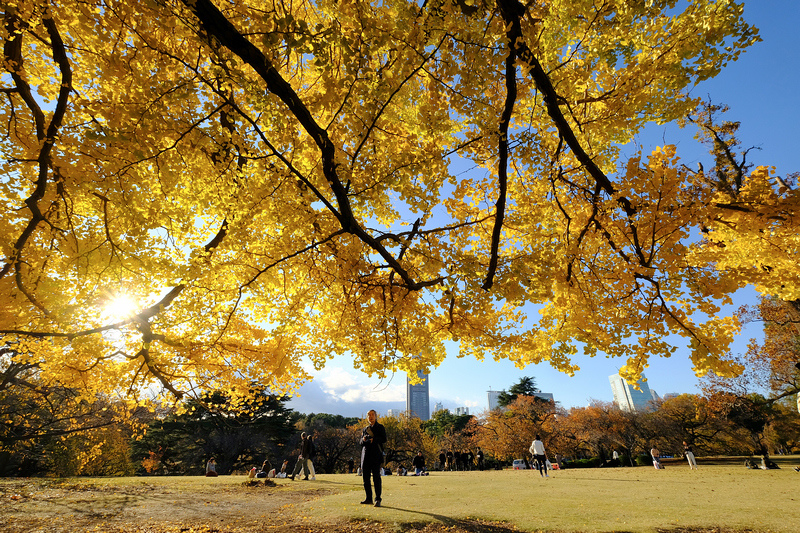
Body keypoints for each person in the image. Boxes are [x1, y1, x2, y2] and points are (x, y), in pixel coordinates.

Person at [360, 409, 387, 507]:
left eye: (372, 415)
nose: (370, 417)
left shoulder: (380, 427)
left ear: (375, 416)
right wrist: (364, 440)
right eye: (368, 415)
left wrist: (373, 440)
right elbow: (360, 443)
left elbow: (384, 439)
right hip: (366, 456)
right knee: (365, 479)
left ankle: (378, 499)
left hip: (375, 456)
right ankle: (368, 498)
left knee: (376, 478)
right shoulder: (365, 429)